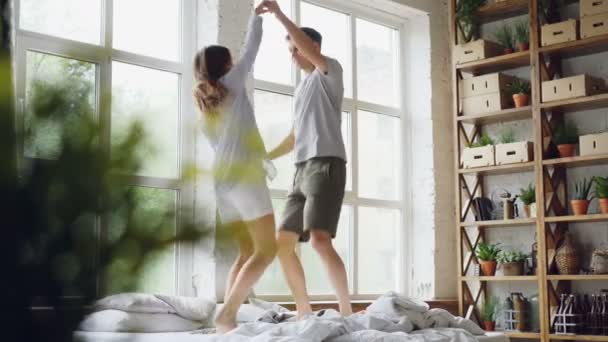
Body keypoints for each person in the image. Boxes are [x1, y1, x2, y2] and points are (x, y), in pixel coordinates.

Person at [263, 0, 352, 319]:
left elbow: (304, 46)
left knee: (318, 240)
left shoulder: (330, 70)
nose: (292, 54)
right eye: (289, 50)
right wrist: (265, 156)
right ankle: (304, 311)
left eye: (296, 48)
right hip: (300, 171)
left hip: (326, 164)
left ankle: (346, 311)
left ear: (313, 46)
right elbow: (294, 137)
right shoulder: (301, 89)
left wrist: (278, 14)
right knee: (282, 243)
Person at [193, 3, 276, 334]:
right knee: (266, 249)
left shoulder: (206, 107)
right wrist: (258, 15)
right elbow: (251, 49)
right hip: (244, 177)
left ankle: (227, 321)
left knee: (245, 252)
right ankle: (226, 314)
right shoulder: (234, 82)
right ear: (225, 65)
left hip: (223, 183)